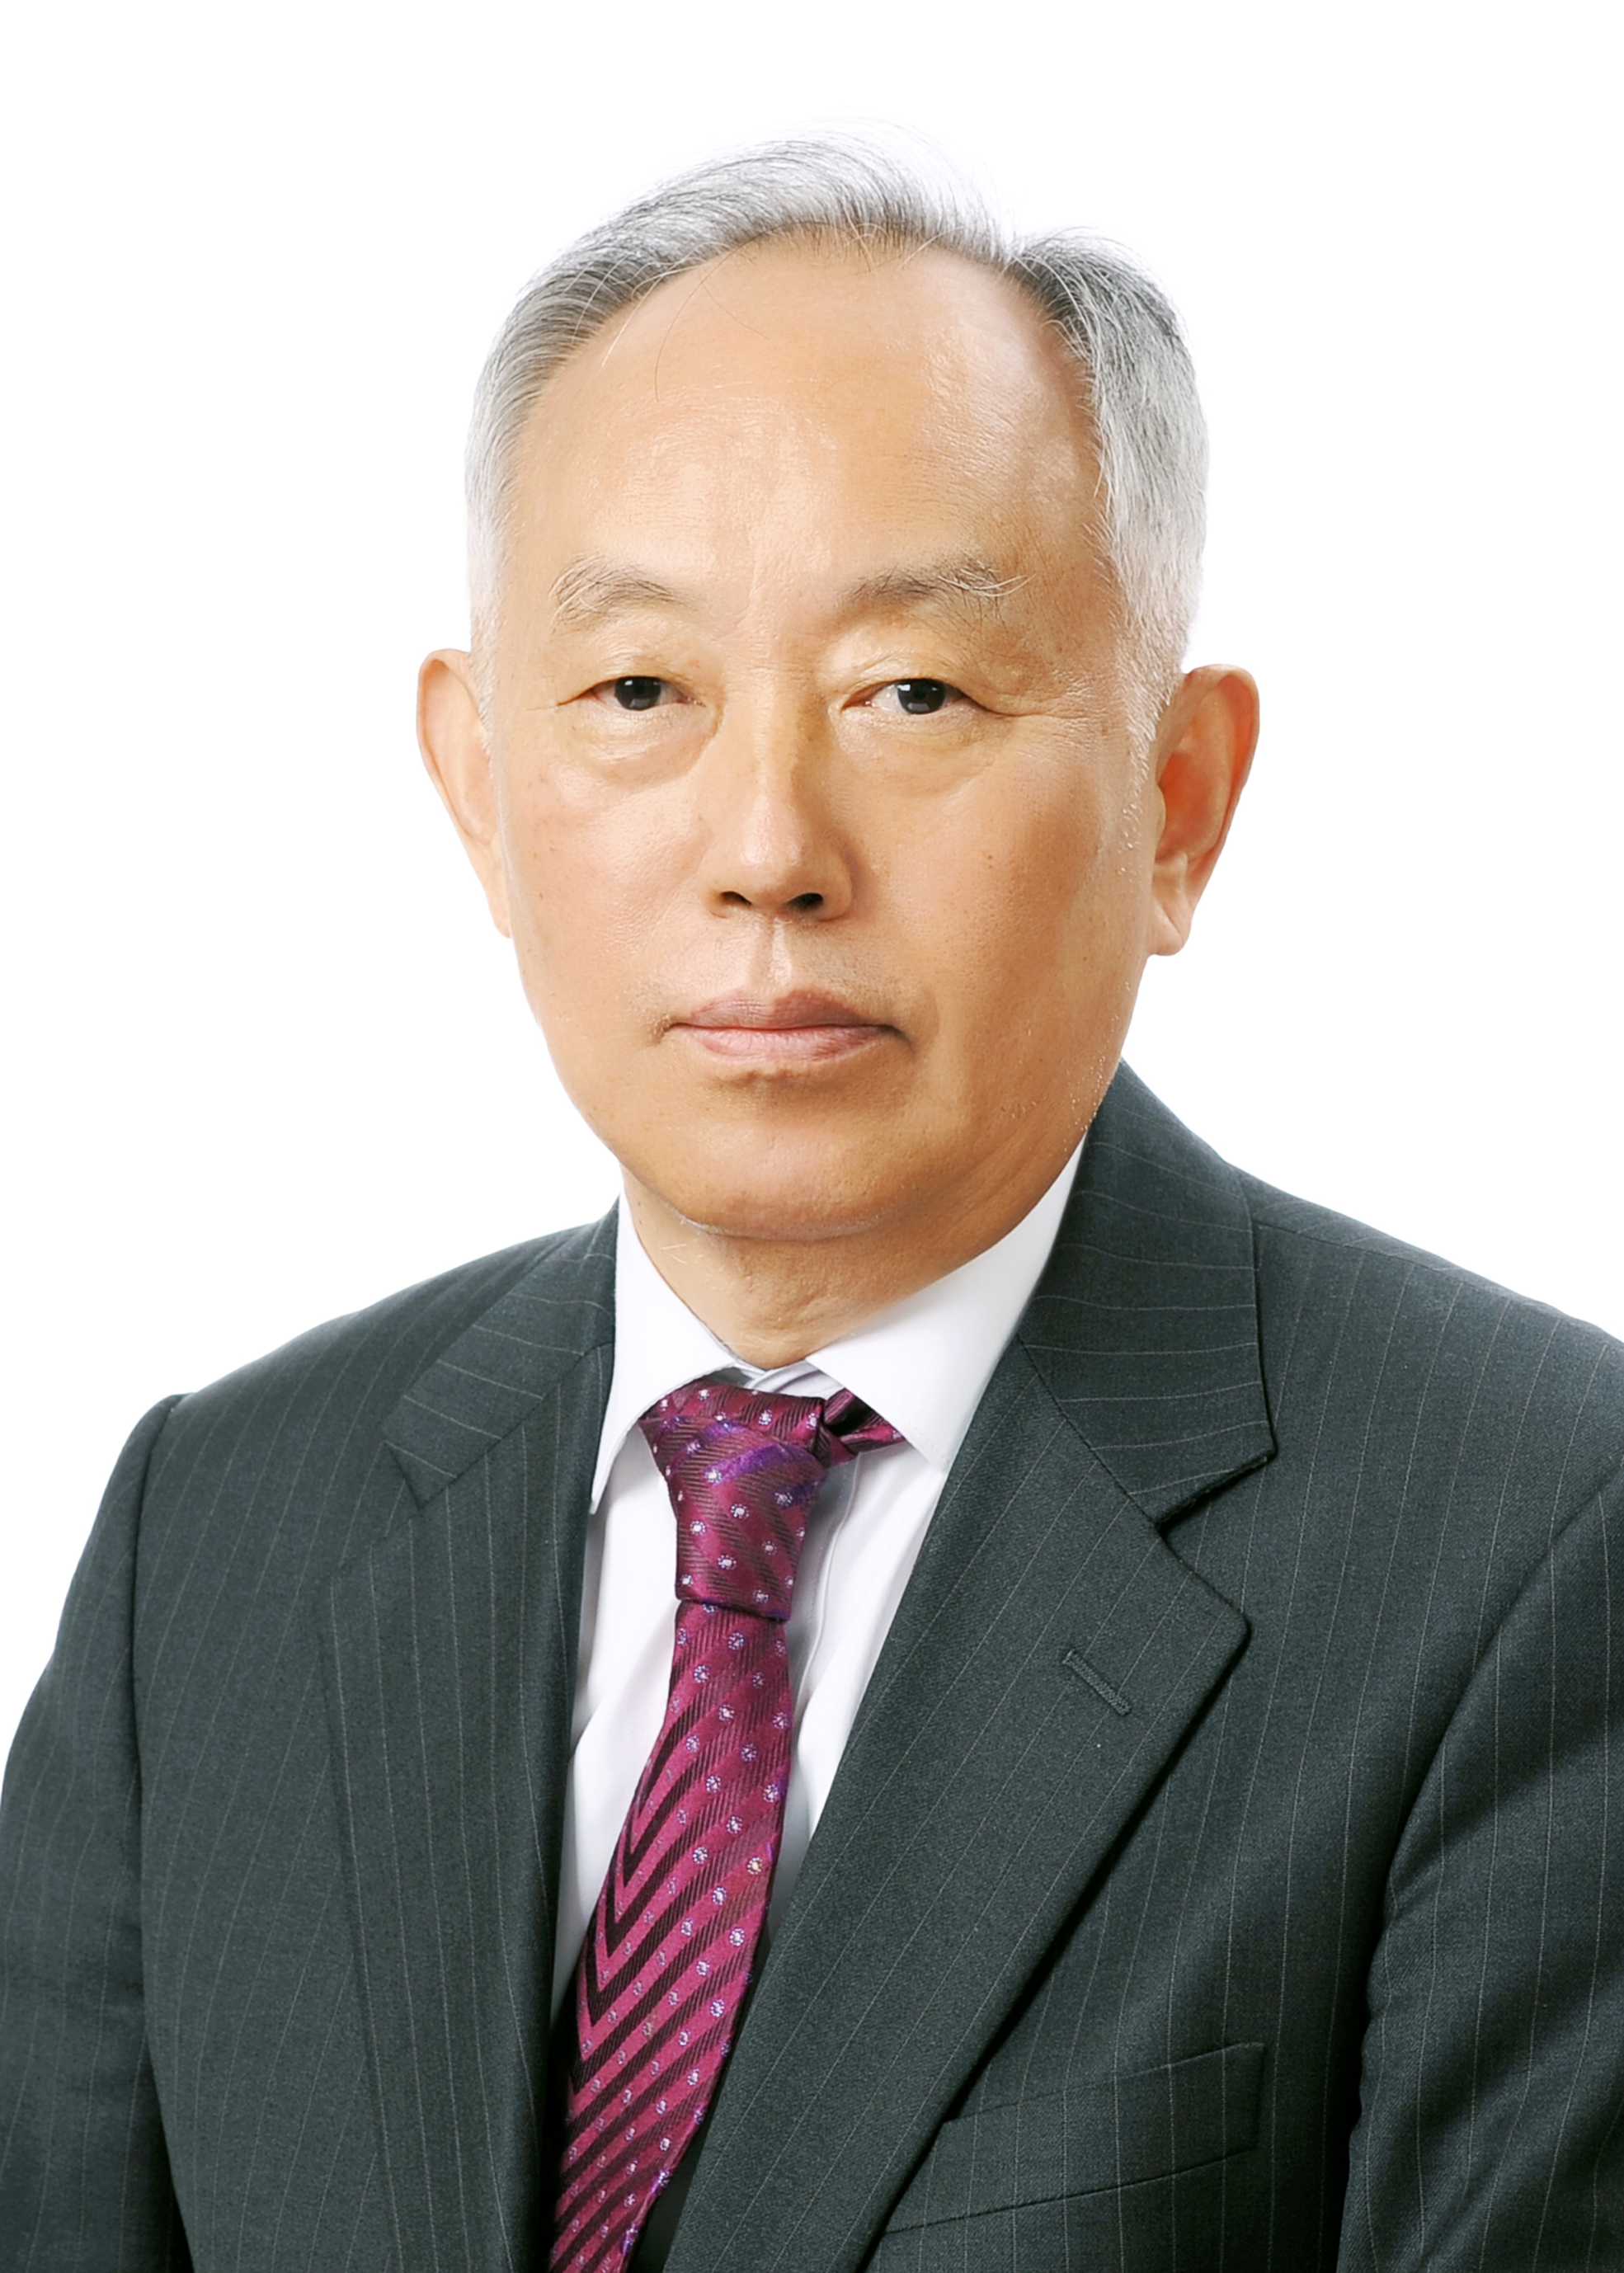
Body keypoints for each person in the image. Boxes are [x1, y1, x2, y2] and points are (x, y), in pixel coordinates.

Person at [2, 138, 1620, 2273]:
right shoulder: (213, 1537)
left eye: (912, 693)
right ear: (477, 790)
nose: (766, 846)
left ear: (1176, 802)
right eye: (638, 693)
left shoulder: (1536, 1548)